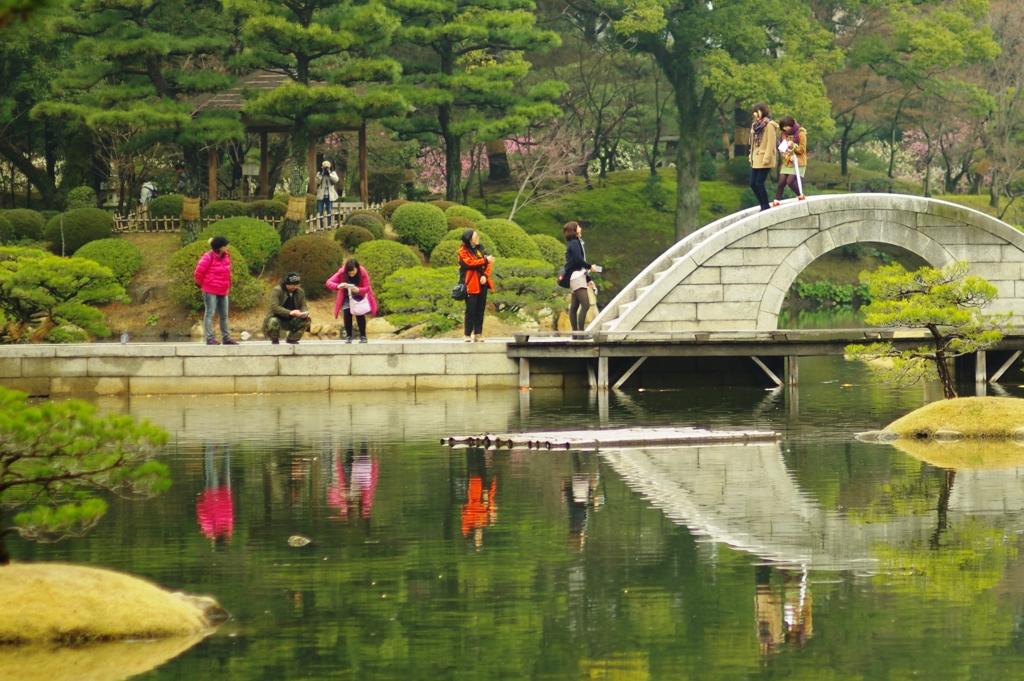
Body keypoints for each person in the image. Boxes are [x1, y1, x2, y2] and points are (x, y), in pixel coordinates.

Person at [193, 236, 237, 346]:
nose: (227, 247)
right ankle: (209, 338)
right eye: (225, 245)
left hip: (223, 289)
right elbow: (198, 273)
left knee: (224, 315)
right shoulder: (208, 256)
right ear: (220, 247)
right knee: (210, 313)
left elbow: (227, 272)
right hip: (210, 289)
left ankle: (226, 338)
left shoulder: (226, 256)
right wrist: (201, 284)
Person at [326, 258, 377, 344]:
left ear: (357, 268)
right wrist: (338, 286)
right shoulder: (342, 272)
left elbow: (367, 288)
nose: (351, 273)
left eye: (353, 271)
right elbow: (329, 282)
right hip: (347, 297)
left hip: (359, 296)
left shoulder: (363, 272)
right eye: (349, 271)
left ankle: (363, 336)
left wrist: (358, 290)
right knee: (347, 313)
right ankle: (349, 336)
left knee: (360, 314)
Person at [457, 229, 494, 342]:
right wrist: (485, 260)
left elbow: (488, 264)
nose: (478, 238)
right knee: (470, 309)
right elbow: (469, 263)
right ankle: (467, 334)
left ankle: (478, 333)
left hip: (482, 282)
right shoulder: (462, 251)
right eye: (475, 237)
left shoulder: (480, 249)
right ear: (469, 239)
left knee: (480, 309)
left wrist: (485, 276)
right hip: (470, 283)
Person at [563, 221, 598, 335]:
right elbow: (578, 260)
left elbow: (577, 263)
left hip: (577, 277)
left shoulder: (575, 243)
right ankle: (581, 334)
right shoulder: (574, 243)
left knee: (574, 306)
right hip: (577, 277)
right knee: (585, 305)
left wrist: (588, 280)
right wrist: (590, 267)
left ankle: (576, 334)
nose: (580, 228)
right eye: (578, 227)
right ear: (574, 230)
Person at [264, 272, 311, 344]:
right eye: (293, 285)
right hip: (278, 318)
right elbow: (274, 307)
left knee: (307, 320)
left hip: (293, 319)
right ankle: (274, 339)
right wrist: (289, 312)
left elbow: (303, 306)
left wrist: (304, 313)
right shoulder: (277, 290)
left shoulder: (300, 291)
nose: (295, 287)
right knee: (272, 321)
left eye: (297, 285)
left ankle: (292, 339)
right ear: (287, 284)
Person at [748, 102, 778, 211]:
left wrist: (766, 157)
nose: (755, 114)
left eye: (757, 111)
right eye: (754, 112)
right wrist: (750, 156)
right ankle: (763, 205)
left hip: (765, 158)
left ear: (763, 111)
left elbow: (771, 143)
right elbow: (752, 143)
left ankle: (765, 206)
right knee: (752, 183)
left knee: (759, 182)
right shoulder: (755, 125)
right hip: (756, 158)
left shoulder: (769, 125)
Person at [772, 115, 807, 206]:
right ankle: (776, 201)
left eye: (786, 126)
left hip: (798, 162)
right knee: (781, 182)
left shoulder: (800, 133)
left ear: (791, 124)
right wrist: (788, 157)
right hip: (787, 162)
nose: (785, 128)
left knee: (790, 181)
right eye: (783, 127)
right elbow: (782, 150)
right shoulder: (784, 134)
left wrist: (794, 145)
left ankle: (800, 195)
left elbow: (802, 150)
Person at [315, 160, 339, 227]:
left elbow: (336, 180)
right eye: (324, 167)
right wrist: (322, 174)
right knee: (320, 211)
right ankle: (320, 225)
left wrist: (329, 174)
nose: (326, 169)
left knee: (329, 210)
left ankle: (328, 225)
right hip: (321, 196)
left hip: (329, 196)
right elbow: (316, 181)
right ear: (321, 167)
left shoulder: (332, 173)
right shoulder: (319, 173)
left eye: (327, 167)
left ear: (330, 167)